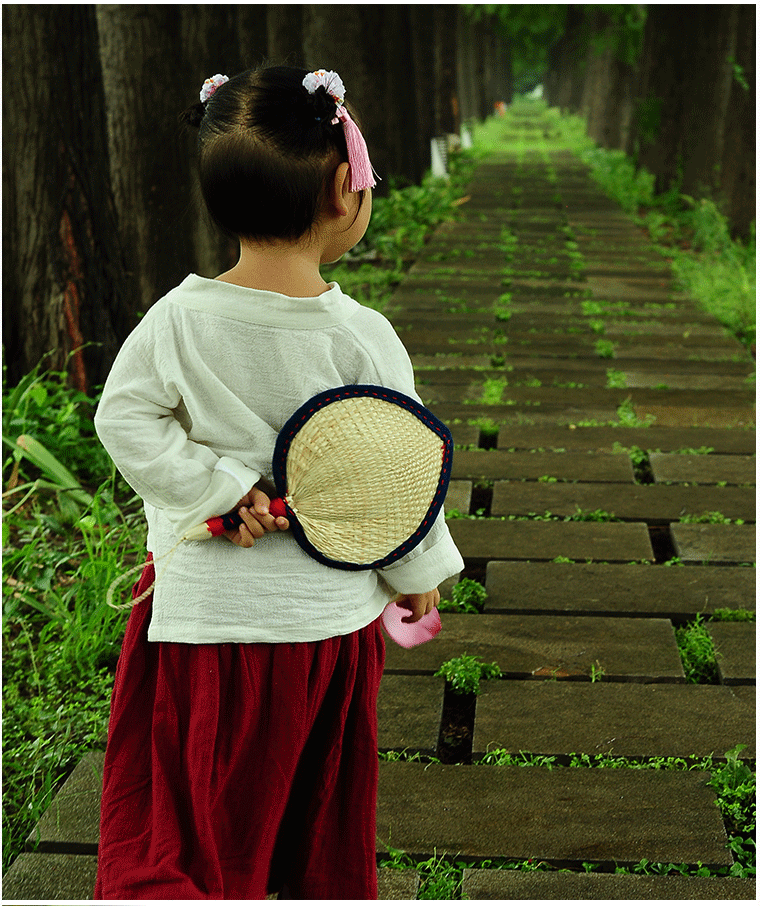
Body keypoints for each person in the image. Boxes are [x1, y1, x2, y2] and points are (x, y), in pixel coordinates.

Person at [92, 65, 464, 900]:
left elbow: (123, 420)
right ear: (344, 190)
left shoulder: (176, 320)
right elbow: (397, 473)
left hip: (200, 628)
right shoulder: (362, 339)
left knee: (200, 809)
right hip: (319, 631)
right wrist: (419, 579)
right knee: (308, 809)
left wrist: (218, 486)